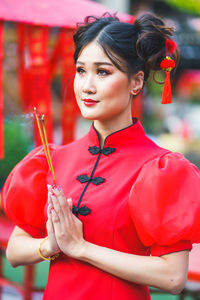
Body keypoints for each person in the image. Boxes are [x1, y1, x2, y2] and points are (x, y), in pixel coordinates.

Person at [2, 12, 200, 300]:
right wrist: (49, 245)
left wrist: (82, 248)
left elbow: (171, 276)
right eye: (81, 71)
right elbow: (15, 251)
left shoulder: (160, 169)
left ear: (136, 82)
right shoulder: (52, 159)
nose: (87, 86)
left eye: (103, 72)